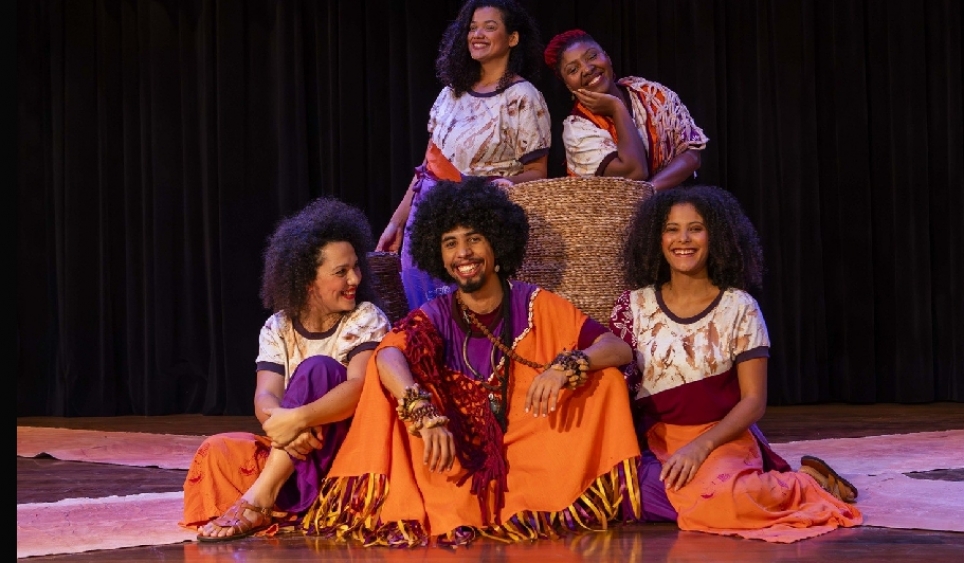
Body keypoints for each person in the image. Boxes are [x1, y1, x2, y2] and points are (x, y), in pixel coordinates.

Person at [300, 177, 641, 547]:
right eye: (450, 243)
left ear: (496, 242)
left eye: (474, 239)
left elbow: (617, 349)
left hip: (532, 440)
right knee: (396, 398)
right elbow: (388, 355)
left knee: (605, 382)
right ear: (439, 255)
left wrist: (566, 366)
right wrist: (422, 411)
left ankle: (549, 496)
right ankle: (455, 505)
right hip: (454, 447)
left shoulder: (534, 303)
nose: (463, 253)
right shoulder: (437, 313)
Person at [608, 184, 862, 543]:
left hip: (720, 438)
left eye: (696, 228)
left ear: (716, 237)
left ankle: (806, 482)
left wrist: (701, 446)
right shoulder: (633, 305)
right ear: (656, 238)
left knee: (727, 497)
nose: (683, 239)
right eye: (671, 229)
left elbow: (753, 401)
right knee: (626, 494)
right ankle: (720, 496)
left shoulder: (740, 307)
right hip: (657, 439)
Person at [181, 197, 392, 542]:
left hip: (346, 448)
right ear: (307, 280)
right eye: (341, 272)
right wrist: (286, 424)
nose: (355, 278)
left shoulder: (366, 318)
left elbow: (358, 388)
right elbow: (265, 397)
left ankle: (261, 499)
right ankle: (282, 498)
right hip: (297, 450)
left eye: (356, 267)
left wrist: (298, 418)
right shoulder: (277, 327)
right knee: (218, 450)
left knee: (318, 370)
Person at [375, 0, 552, 310]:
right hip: (426, 221)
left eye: (489, 27)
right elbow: (427, 168)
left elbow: (538, 172)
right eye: (472, 28)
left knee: (472, 314)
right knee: (427, 317)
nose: (477, 34)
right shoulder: (450, 94)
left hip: (476, 224)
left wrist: (502, 184)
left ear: (512, 38)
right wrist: (397, 222)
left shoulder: (523, 97)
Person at [544, 29, 708, 192]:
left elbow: (692, 154)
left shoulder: (652, 95)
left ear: (607, 57)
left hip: (676, 202)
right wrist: (617, 108)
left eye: (592, 56)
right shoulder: (577, 131)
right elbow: (634, 173)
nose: (587, 69)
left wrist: (651, 190)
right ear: (568, 85)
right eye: (573, 70)